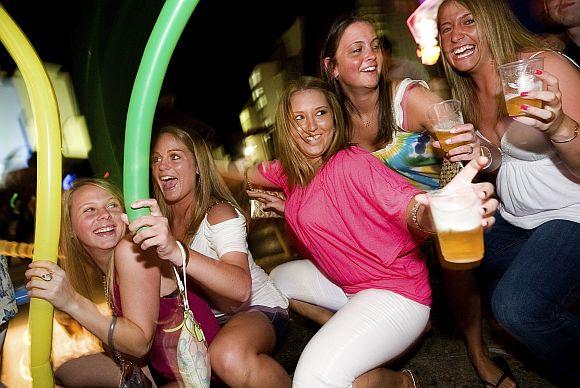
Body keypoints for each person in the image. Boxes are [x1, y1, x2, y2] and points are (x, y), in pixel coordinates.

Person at [245, 76, 497, 387]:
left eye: (320, 113)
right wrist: (290, 209)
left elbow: (410, 208)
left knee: (312, 379)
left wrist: (436, 212)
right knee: (278, 280)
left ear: (335, 118)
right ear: (287, 126)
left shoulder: (354, 164)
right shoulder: (294, 170)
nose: (311, 126)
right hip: (351, 285)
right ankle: (355, 340)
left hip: (397, 294)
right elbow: (248, 172)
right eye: (299, 117)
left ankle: (396, 378)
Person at [437, 0, 580, 385]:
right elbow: (507, 157)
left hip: (571, 212)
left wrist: (559, 125)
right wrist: (482, 155)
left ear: (492, 21)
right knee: (454, 247)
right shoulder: (470, 92)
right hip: (519, 219)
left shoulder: (544, 67)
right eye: (445, 29)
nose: (455, 35)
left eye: (467, 21)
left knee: (516, 307)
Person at [126, 126, 291, 388]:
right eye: (156, 159)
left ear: (198, 166)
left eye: (175, 157)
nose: (162, 166)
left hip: (256, 307)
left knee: (227, 356)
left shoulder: (219, 213)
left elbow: (240, 288)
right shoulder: (161, 221)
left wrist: (176, 251)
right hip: (209, 320)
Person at [25, 178, 220, 387]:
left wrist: (72, 301)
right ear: (71, 229)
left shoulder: (131, 249)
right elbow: (137, 356)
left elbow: (139, 343)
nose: (104, 215)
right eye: (89, 210)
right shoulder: (110, 271)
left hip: (205, 374)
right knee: (68, 370)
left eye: (112, 205)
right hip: (177, 375)